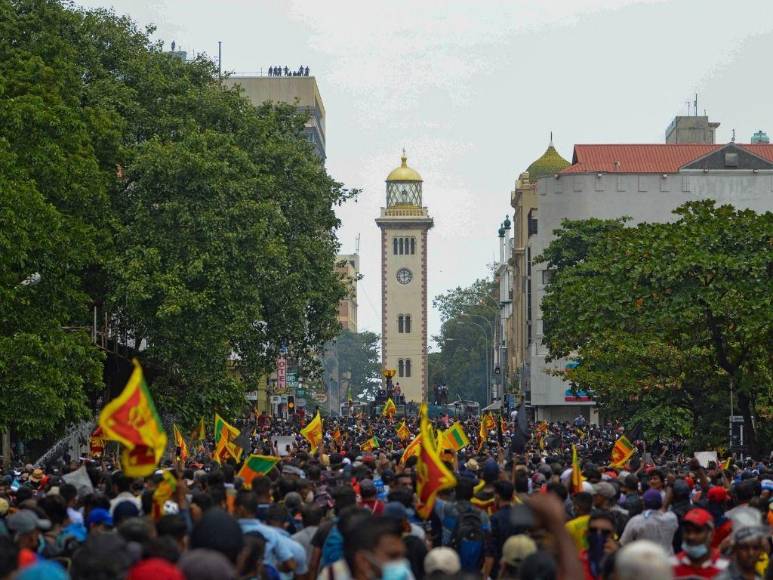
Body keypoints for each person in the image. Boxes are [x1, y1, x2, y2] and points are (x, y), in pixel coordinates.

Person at [670, 508, 729, 579]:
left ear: (711, 534)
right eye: (687, 531)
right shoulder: (670, 565)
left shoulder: (726, 568)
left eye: (698, 531)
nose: (691, 536)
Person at [619, 488, 678, 553]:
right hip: (667, 560)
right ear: (660, 503)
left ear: (643, 503)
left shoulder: (635, 521)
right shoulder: (671, 518)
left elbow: (623, 543)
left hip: (644, 561)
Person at [580, 511, 619, 580]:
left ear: (613, 535)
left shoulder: (622, 565)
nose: (598, 535)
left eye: (605, 532)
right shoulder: (576, 563)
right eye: (593, 530)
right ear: (587, 533)